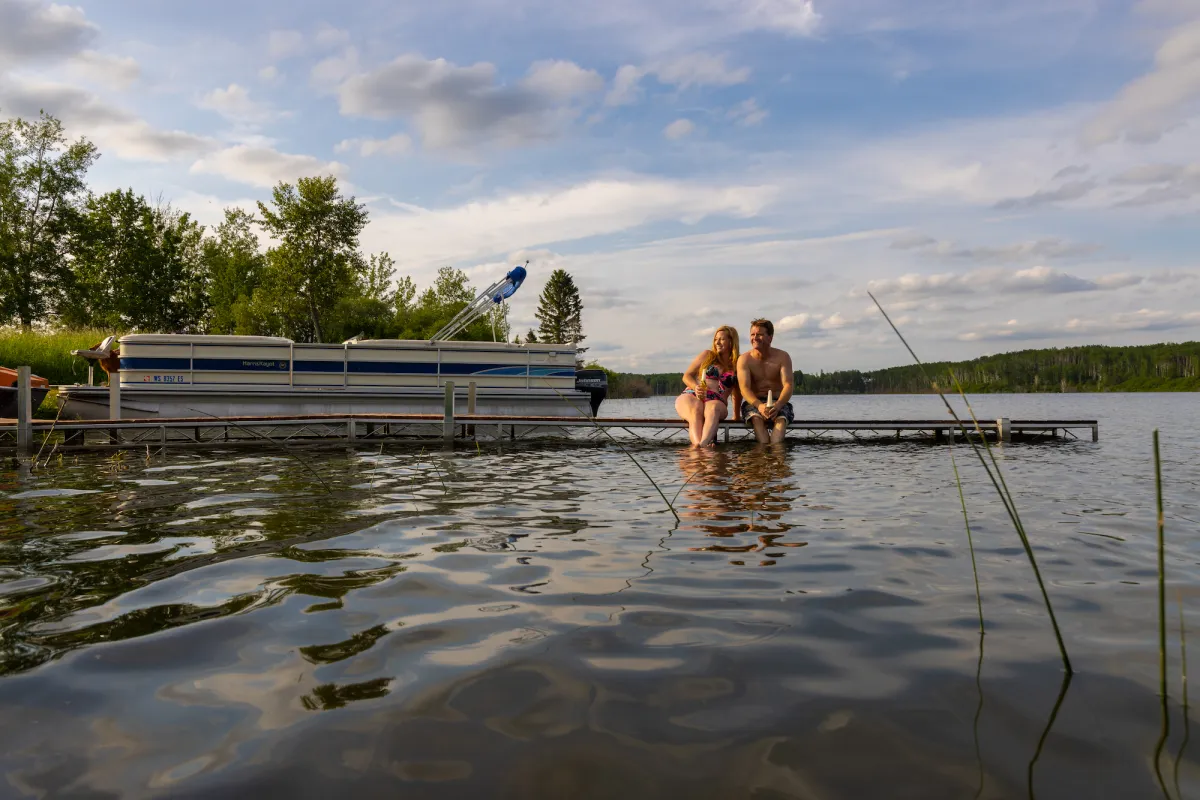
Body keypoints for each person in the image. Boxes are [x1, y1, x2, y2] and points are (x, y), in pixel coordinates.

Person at [675, 326, 741, 447]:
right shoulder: (707, 355)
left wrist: (736, 415)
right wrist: (695, 387)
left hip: (717, 400)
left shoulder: (738, 364)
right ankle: (700, 447)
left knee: (713, 409)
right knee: (696, 409)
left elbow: (737, 392)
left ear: (731, 341)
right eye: (716, 339)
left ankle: (701, 445)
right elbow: (687, 376)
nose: (717, 342)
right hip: (693, 393)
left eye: (722, 339)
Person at [737, 318, 794, 444]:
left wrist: (778, 405)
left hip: (778, 401)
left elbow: (788, 385)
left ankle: (776, 454)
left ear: (770, 337)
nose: (755, 338)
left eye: (760, 334)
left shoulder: (782, 357)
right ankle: (763, 455)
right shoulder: (744, 359)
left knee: (781, 420)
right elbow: (744, 388)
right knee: (756, 419)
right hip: (754, 402)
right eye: (753, 334)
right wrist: (759, 405)